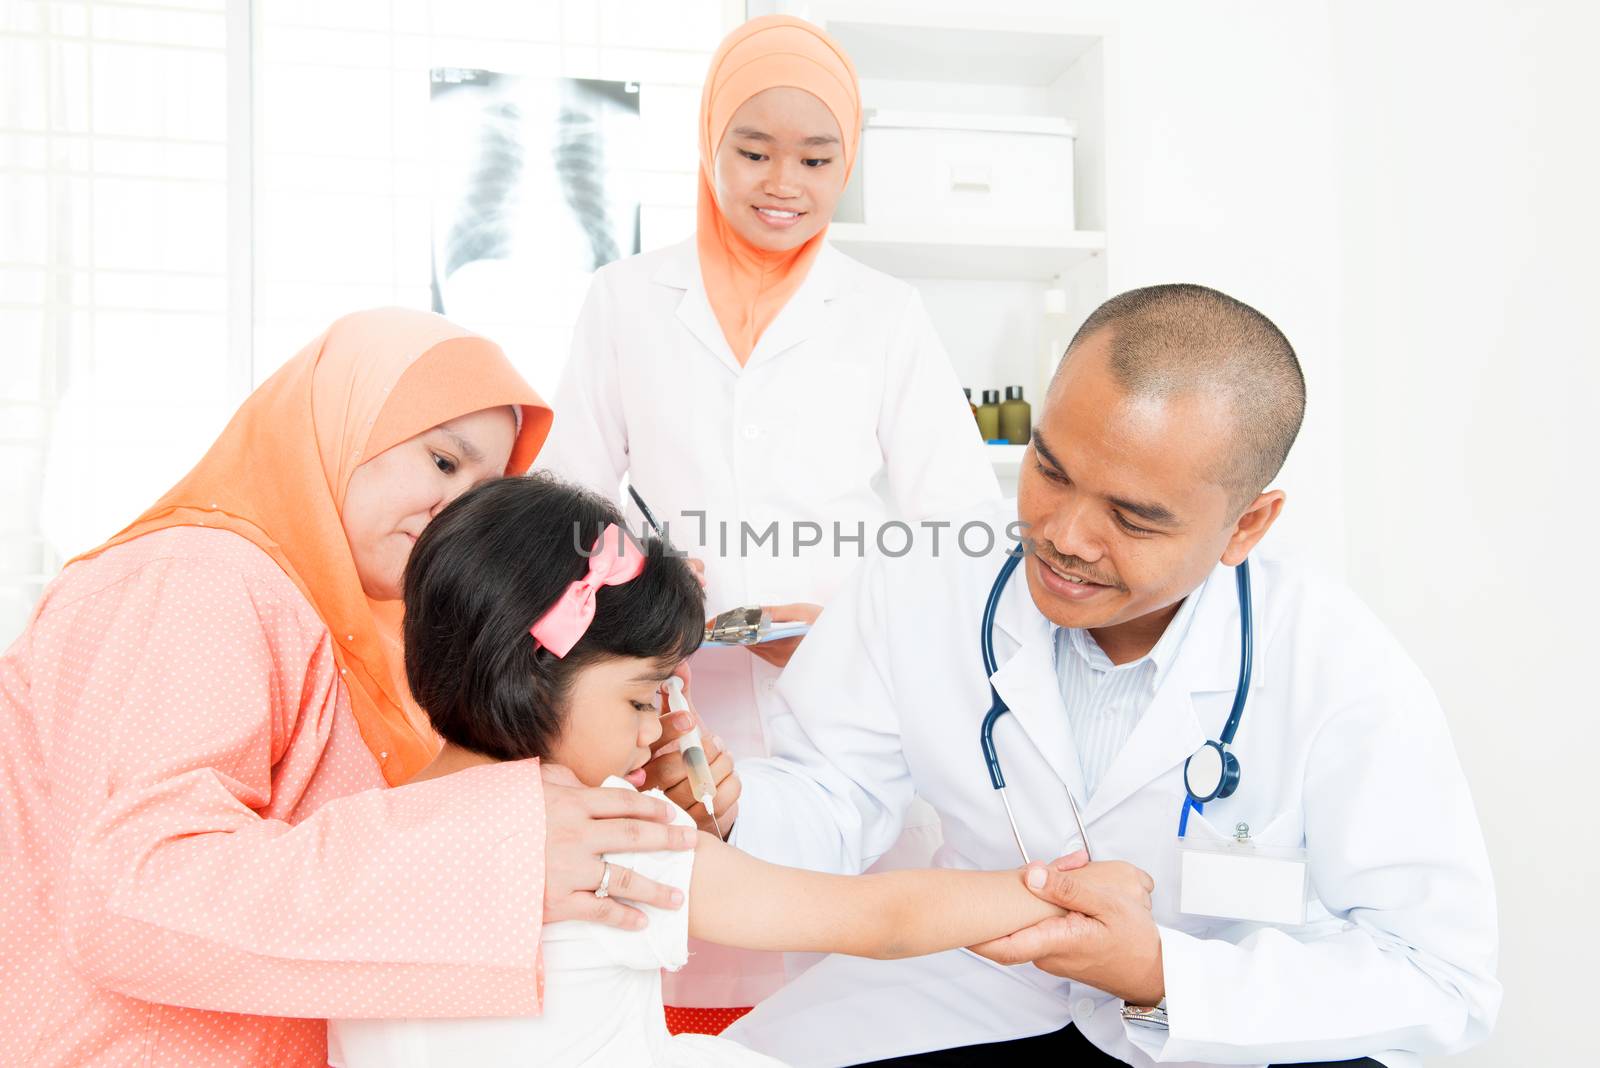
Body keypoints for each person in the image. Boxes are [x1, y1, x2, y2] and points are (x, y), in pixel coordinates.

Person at [657, 284, 1501, 1065]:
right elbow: (835, 797)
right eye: (1050, 469)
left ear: (1247, 524)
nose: (1064, 536)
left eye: (1133, 517)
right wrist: (736, 807)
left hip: (1222, 1018)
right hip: (974, 988)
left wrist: (1161, 970)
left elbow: (1439, 976)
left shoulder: (1336, 664)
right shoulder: (923, 578)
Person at [0, 309, 699, 1067]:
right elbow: (134, 891)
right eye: (442, 462)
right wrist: (487, 861)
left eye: (484, 488)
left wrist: (621, 765)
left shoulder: (365, 635)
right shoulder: (198, 580)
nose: (457, 508)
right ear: (338, 427)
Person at [329, 473, 1138, 1067]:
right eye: (645, 699)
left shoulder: (347, 833)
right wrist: (1054, 891)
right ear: (534, 675)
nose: (655, 730)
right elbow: (875, 919)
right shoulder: (601, 837)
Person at [538, 14, 999, 1014]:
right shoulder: (623, 300)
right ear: (707, 144)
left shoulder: (884, 314)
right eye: (751, 151)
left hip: (832, 689)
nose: (780, 181)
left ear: (848, 164)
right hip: (659, 685)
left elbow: (958, 517)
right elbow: (564, 500)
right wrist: (636, 582)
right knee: (676, 949)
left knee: (835, 968)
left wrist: (858, 625)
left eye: (815, 157)